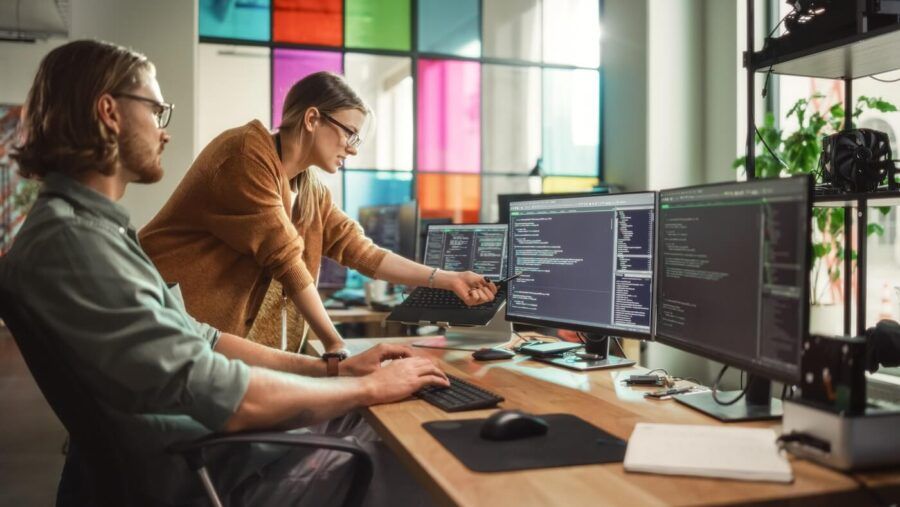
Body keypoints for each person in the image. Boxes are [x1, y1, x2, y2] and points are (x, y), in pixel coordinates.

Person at [2, 39, 448, 506]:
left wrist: (335, 368)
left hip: (206, 444)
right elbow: (222, 390)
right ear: (109, 112)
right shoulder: (76, 245)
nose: (164, 132)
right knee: (410, 460)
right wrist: (366, 384)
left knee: (380, 416)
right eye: (156, 111)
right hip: (201, 468)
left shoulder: (96, 232)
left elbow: (205, 338)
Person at [138, 71, 497, 355]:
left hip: (208, 344)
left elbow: (360, 251)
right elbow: (285, 260)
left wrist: (448, 279)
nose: (353, 150)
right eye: (350, 134)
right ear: (312, 119)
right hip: (160, 325)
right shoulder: (246, 155)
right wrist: (336, 346)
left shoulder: (309, 189)